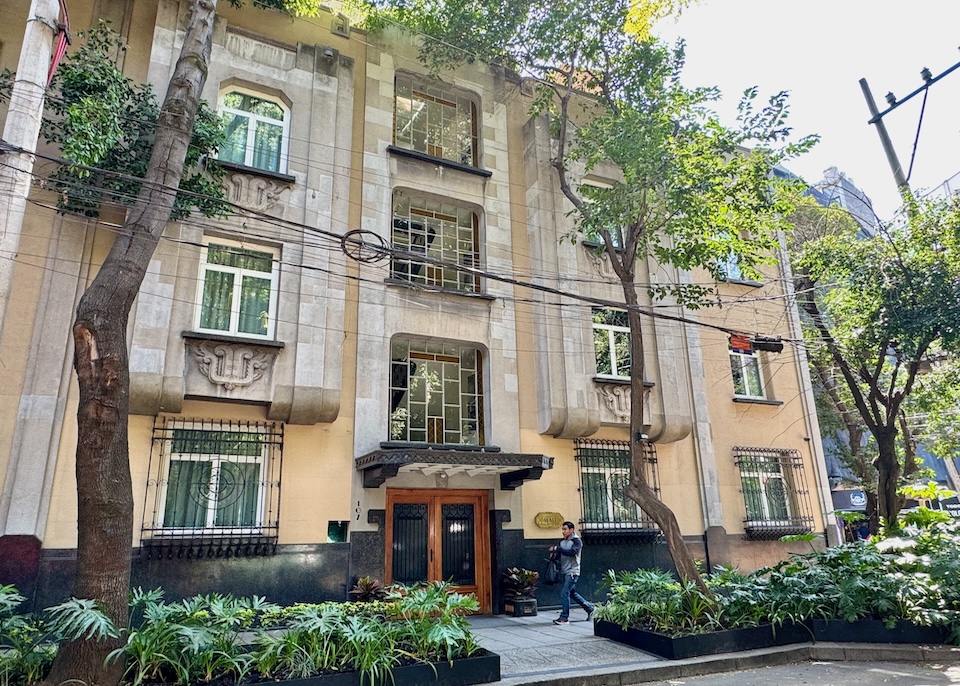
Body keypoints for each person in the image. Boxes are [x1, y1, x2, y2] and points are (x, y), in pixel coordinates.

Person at [549, 521, 595, 625]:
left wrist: (558, 549)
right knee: (572, 593)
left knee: (564, 593)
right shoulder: (562, 542)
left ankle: (564, 618)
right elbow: (560, 555)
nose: (563, 531)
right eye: (562, 529)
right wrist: (554, 554)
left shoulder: (577, 541)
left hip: (573, 571)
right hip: (565, 571)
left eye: (565, 529)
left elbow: (572, 552)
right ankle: (590, 609)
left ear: (571, 530)